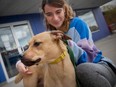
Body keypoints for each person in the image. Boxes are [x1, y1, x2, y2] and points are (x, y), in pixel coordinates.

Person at [16, 0, 116, 87]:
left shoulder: (77, 24)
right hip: (74, 73)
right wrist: (22, 62)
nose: (55, 18)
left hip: (98, 68)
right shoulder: (49, 35)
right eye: (49, 14)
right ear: (45, 15)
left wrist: (61, 44)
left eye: (58, 12)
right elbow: (43, 53)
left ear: (64, 9)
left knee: (83, 69)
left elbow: (88, 56)